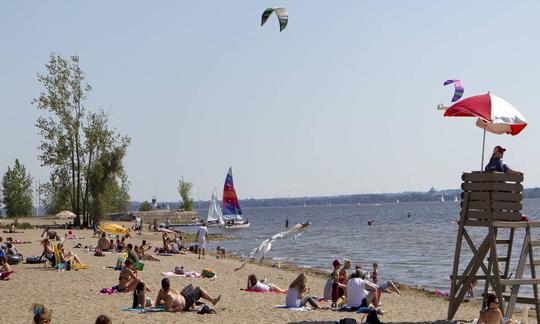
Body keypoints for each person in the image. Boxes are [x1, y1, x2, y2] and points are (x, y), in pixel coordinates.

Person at [154, 278, 221, 312]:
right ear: (169, 285)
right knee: (199, 289)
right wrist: (176, 309)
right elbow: (167, 310)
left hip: (182, 295)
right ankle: (213, 301)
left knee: (191, 286)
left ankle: (194, 304)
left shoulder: (161, 291)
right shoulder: (169, 297)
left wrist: (162, 303)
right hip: (185, 303)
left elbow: (157, 303)